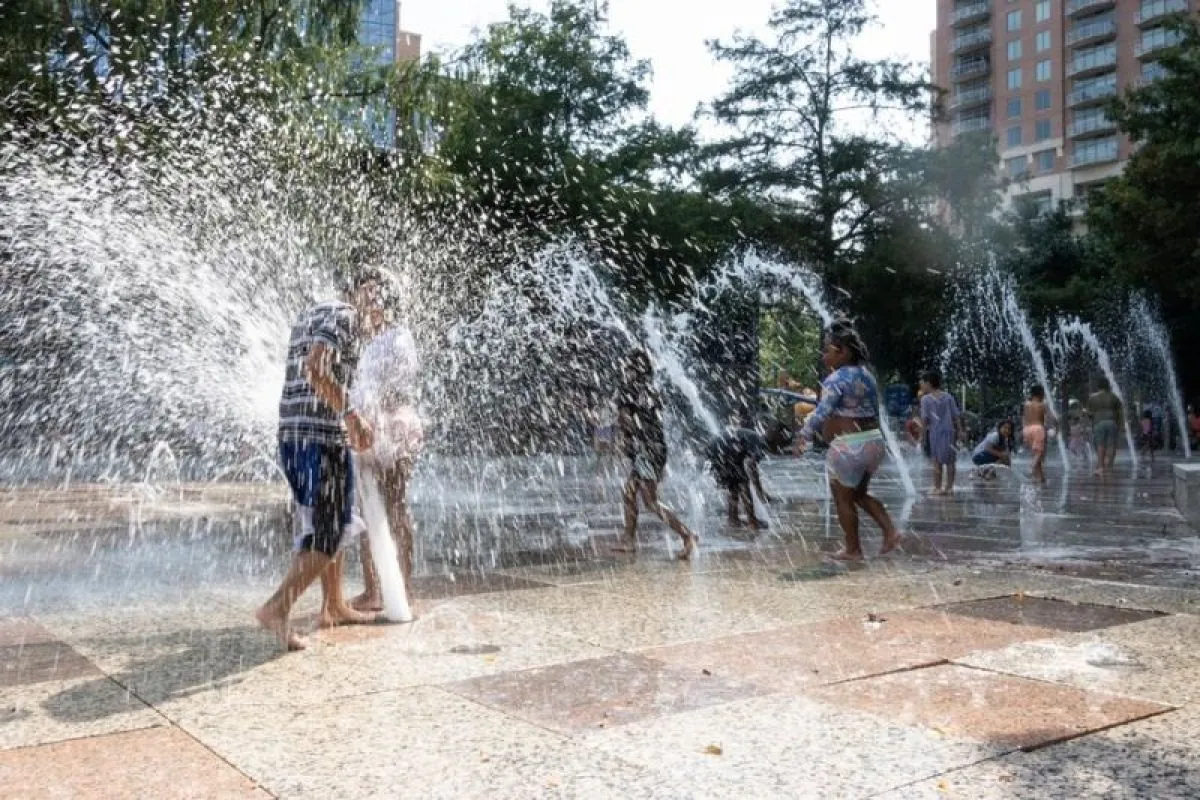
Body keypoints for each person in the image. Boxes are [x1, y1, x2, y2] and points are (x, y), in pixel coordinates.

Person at [256, 268, 388, 652]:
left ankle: (333, 605)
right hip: (319, 436)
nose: (381, 310)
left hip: (294, 434)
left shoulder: (315, 312)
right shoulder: (346, 317)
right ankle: (277, 608)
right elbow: (316, 369)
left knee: (326, 521)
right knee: (331, 528)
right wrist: (349, 413)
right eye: (377, 298)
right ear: (360, 292)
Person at [795, 319, 901, 561]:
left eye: (827, 350)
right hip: (874, 441)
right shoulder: (867, 377)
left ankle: (853, 549)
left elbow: (821, 412)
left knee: (843, 498)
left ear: (842, 351)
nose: (823, 356)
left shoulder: (836, 379)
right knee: (859, 494)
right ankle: (890, 531)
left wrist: (804, 435)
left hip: (849, 446)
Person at [348, 319, 424, 615]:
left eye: (372, 293)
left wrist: (374, 415)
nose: (367, 303)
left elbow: (398, 385)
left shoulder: (399, 336)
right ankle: (373, 590)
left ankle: (402, 587)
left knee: (395, 505)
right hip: (373, 425)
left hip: (392, 425)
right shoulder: (371, 341)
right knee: (368, 507)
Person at [614, 347, 698, 559]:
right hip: (656, 449)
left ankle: (687, 535)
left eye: (628, 365)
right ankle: (629, 540)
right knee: (629, 493)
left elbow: (626, 420)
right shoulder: (652, 390)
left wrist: (625, 439)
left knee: (650, 501)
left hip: (645, 451)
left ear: (633, 368)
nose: (625, 369)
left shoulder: (628, 390)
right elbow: (655, 422)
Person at [706, 420, 771, 529]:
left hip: (715, 446)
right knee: (743, 483)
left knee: (733, 486)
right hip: (724, 447)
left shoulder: (753, 437)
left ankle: (733, 520)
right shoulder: (760, 443)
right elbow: (751, 465)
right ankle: (752, 521)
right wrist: (759, 491)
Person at [918, 370, 963, 496]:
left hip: (936, 433)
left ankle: (937, 487)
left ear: (929, 383)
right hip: (950, 432)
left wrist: (922, 436)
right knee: (951, 461)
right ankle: (949, 487)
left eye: (923, 383)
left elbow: (925, 419)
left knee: (936, 460)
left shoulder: (926, 399)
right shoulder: (948, 397)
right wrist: (960, 430)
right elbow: (956, 416)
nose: (922, 386)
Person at [1087, 379, 1122, 476]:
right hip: (1112, 421)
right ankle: (1109, 467)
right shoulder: (1113, 397)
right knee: (1111, 445)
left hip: (1099, 423)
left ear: (1099, 386)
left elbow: (1089, 414)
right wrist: (1119, 424)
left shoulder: (1093, 398)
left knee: (1100, 445)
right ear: (1108, 386)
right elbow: (1120, 411)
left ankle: (1101, 467)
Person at [1022, 385, 1053, 484]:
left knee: (1035, 453)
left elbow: (1024, 418)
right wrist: (1056, 426)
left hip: (1026, 429)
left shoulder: (1026, 404)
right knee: (1040, 453)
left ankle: (1040, 477)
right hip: (1038, 429)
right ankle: (1031, 468)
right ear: (1040, 394)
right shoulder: (1042, 405)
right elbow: (1050, 418)